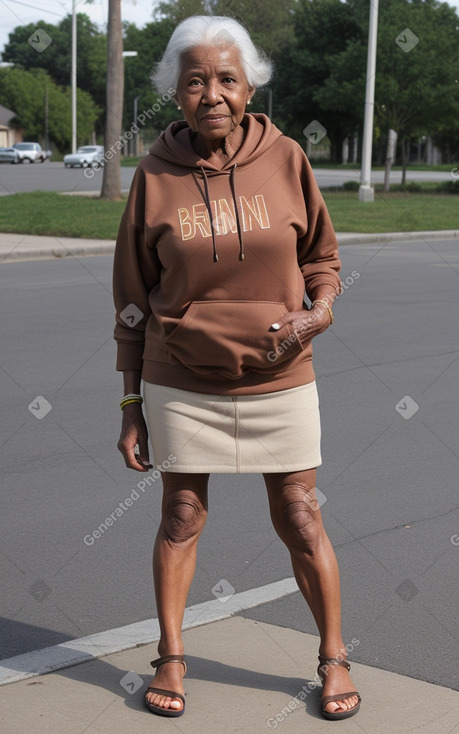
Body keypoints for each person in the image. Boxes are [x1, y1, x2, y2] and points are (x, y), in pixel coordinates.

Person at [113, 14, 361, 721]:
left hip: (280, 375)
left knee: (301, 515)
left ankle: (333, 656)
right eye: (195, 81)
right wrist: (130, 405)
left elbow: (321, 257)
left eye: (226, 78)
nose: (211, 93)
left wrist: (319, 309)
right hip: (179, 380)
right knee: (181, 515)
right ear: (176, 92)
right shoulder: (154, 173)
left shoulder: (285, 159)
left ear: (249, 86)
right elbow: (132, 298)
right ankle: (169, 655)